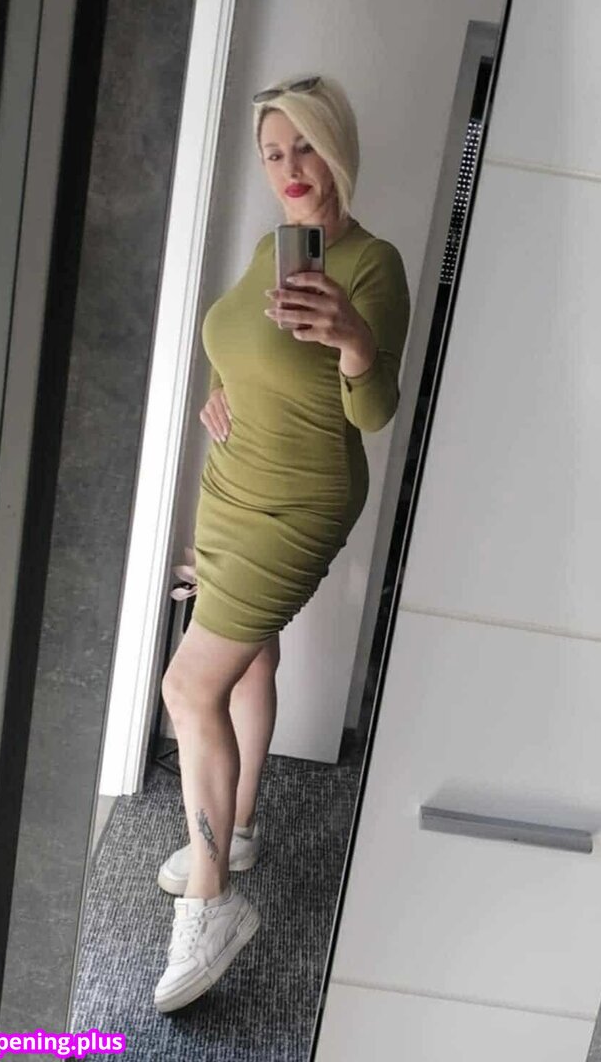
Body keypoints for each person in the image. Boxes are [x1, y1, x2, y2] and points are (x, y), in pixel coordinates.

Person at [153, 73, 410, 1013]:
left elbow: (372, 414)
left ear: (335, 148)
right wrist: (217, 392)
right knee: (249, 661)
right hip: (234, 483)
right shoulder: (272, 247)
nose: (289, 167)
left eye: (303, 145)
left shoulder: (373, 264)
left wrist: (354, 342)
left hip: (300, 501)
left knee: (187, 688)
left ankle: (213, 900)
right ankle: (238, 827)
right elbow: (240, 344)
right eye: (272, 152)